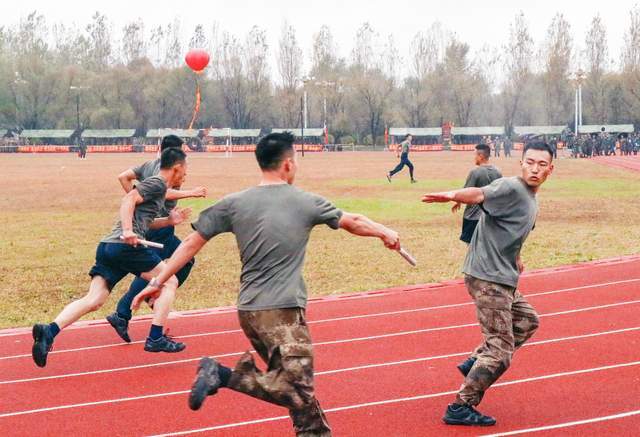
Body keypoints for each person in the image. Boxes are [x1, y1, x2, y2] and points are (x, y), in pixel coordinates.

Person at [133, 132, 401, 436]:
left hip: (249, 312)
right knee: (298, 390)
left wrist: (159, 280)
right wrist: (385, 232)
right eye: (296, 161)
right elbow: (353, 221)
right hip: (282, 312)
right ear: (287, 164)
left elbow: (192, 243)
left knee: (291, 384)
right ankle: (222, 376)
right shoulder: (303, 200)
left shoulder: (234, 203)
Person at [422, 142, 554, 426]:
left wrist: (517, 258)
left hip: (502, 276)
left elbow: (512, 230)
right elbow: (480, 194)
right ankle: (461, 406)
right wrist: (452, 195)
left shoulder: (531, 198)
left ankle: (477, 360)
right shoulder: (511, 187)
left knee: (528, 320)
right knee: (501, 351)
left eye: (541, 164)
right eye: (530, 162)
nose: (534, 168)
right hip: (487, 277)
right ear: (521, 163)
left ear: (550, 170)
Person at [31, 148, 190, 368]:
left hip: (108, 246)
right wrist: (127, 230)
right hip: (125, 246)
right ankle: (155, 337)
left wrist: (168, 222)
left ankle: (49, 331)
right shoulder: (158, 183)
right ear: (177, 167)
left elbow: (142, 222)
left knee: (94, 299)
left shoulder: (159, 189)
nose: (186, 175)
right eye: (185, 170)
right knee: (170, 280)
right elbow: (129, 200)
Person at [106, 135, 207, 344]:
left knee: (179, 262)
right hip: (158, 229)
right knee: (158, 271)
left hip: (162, 228)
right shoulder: (162, 173)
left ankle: (133, 307)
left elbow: (123, 177)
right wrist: (191, 193)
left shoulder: (148, 165)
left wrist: (136, 202)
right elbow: (163, 191)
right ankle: (126, 312)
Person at [453, 144, 502, 244]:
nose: (474, 158)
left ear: (480, 156)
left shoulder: (475, 172)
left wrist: (458, 202)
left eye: (474, 155)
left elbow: (465, 193)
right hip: (492, 216)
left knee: (472, 247)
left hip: (473, 217)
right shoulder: (498, 172)